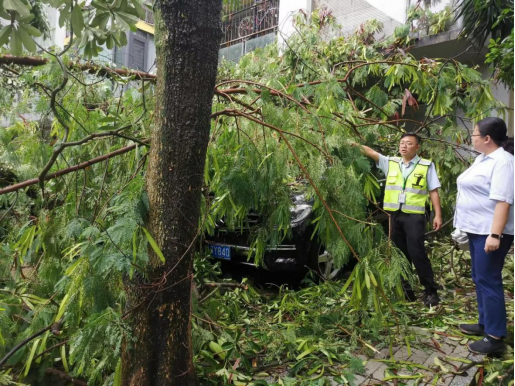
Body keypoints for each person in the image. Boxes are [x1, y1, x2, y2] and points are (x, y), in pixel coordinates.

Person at [354, 133, 442, 307]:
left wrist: (437, 215)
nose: (404, 146)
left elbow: (433, 191)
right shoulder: (391, 163)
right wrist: (350, 143)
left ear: (417, 148)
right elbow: (370, 152)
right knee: (399, 254)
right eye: (402, 143)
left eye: (409, 143)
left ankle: (431, 291)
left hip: (414, 216)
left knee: (417, 253)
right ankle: (406, 291)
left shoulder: (426, 165)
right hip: (394, 215)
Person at [454, 117, 514, 355]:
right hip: (476, 229)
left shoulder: (503, 162)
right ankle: (485, 323)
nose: (472, 137)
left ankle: (495, 337)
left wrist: (495, 235)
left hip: (489, 233)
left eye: (475, 134)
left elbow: (503, 202)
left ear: (487, 138)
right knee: (479, 276)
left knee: (489, 280)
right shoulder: (483, 159)